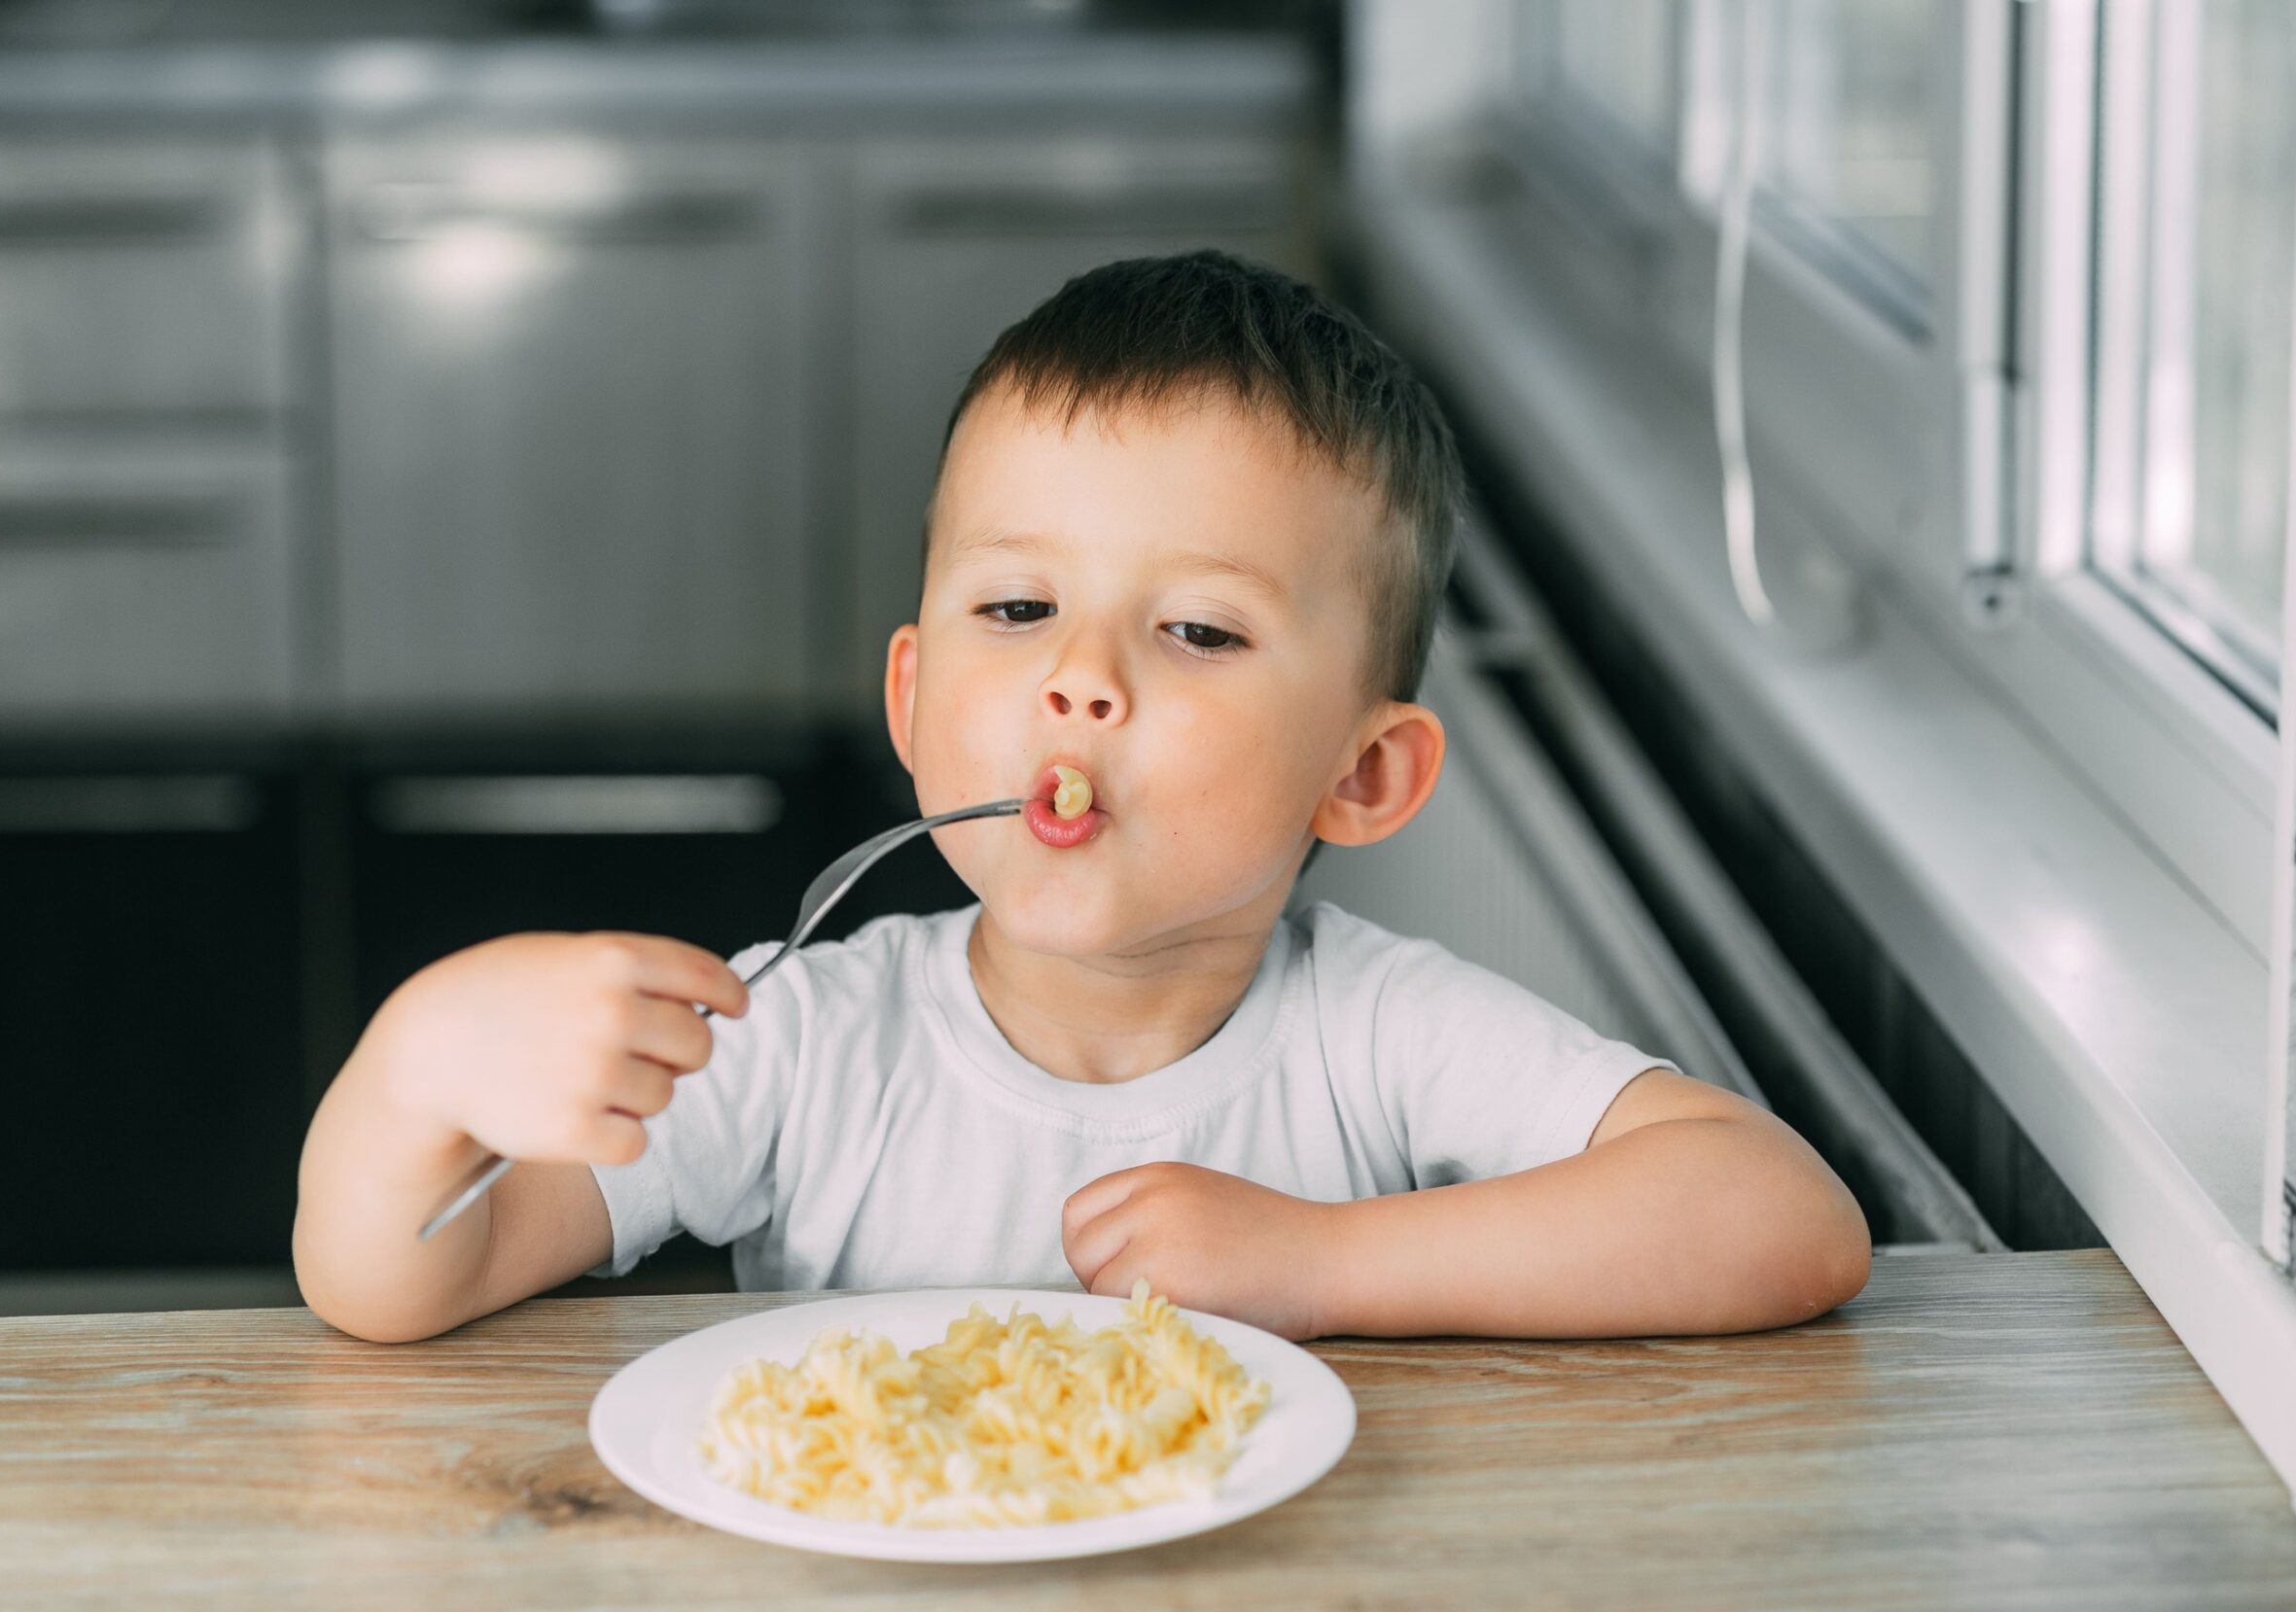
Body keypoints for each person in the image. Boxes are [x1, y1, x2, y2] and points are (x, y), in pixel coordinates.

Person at [294, 250, 1871, 1345]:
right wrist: (422, 1062)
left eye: (1194, 631)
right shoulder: (804, 1042)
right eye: (1017, 608)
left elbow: (1782, 1218)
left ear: (1365, 774)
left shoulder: (1379, 1038)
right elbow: (393, 1282)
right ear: (913, 705)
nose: (1082, 682)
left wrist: (1322, 1261)